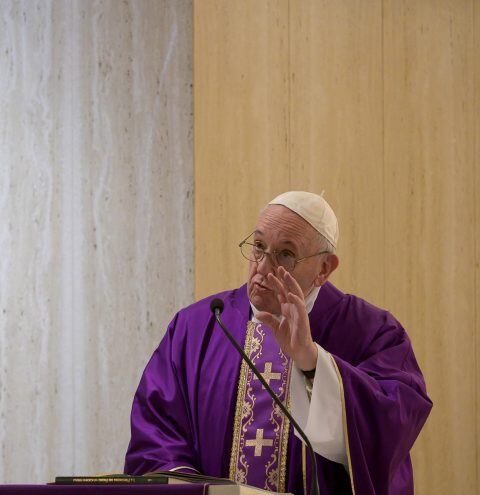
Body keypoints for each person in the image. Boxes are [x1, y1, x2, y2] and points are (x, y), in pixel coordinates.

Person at [124, 191, 432, 494]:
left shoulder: (375, 333)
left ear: (324, 268)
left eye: (285, 254)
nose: (262, 267)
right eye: (258, 246)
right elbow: (156, 430)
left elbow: (390, 426)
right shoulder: (198, 326)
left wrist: (312, 362)